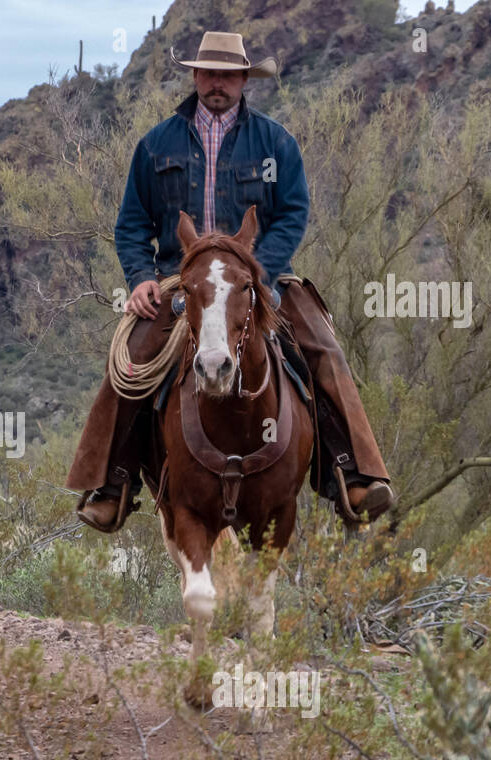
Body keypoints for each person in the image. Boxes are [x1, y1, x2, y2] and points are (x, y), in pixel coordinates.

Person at [68, 31, 394, 532]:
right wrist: (139, 278)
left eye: (228, 74)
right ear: (195, 76)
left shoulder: (276, 143)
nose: (218, 83)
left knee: (323, 349)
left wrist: (256, 272)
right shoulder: (156, 145)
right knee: (131, 362)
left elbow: (292, 213)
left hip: (259, 278)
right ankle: (112, 481)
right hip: (181, 282)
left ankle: (352, 472)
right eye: (209, 73)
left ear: (244, 79)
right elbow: (132, 224)